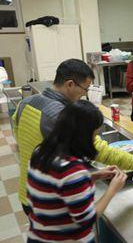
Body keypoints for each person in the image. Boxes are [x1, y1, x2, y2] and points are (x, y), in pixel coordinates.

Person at [13, 59, 133, 216]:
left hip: (28, 190)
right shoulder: (62, 116)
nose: (85, 94)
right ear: (70, 84)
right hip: (52, 200)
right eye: (85, 89)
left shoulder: (25, 103)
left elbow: (20, 139)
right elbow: (97, 149)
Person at [27, 100, 127, 242]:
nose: (95, 139)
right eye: (94, 134)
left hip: (38, 236)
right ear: (83, 135)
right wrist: (112, 189)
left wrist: (93, 176)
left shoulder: (41, 151)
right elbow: (87, 220)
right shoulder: (73, 171)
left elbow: (56, 187)